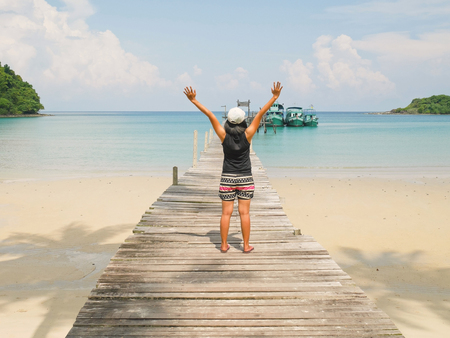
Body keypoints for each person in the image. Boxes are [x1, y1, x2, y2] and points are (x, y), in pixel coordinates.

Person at [183, 82, 283, 253]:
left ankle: (223, 245)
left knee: (226, 214)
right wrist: (274, 97)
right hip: (245, 178)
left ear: (228, 121)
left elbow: (210, 116)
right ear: (243, 120)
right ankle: (245, 245)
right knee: (244, 214)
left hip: (227, 178)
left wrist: (194, 100)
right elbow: (261, 113)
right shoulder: (248, 134)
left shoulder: (223, 135)